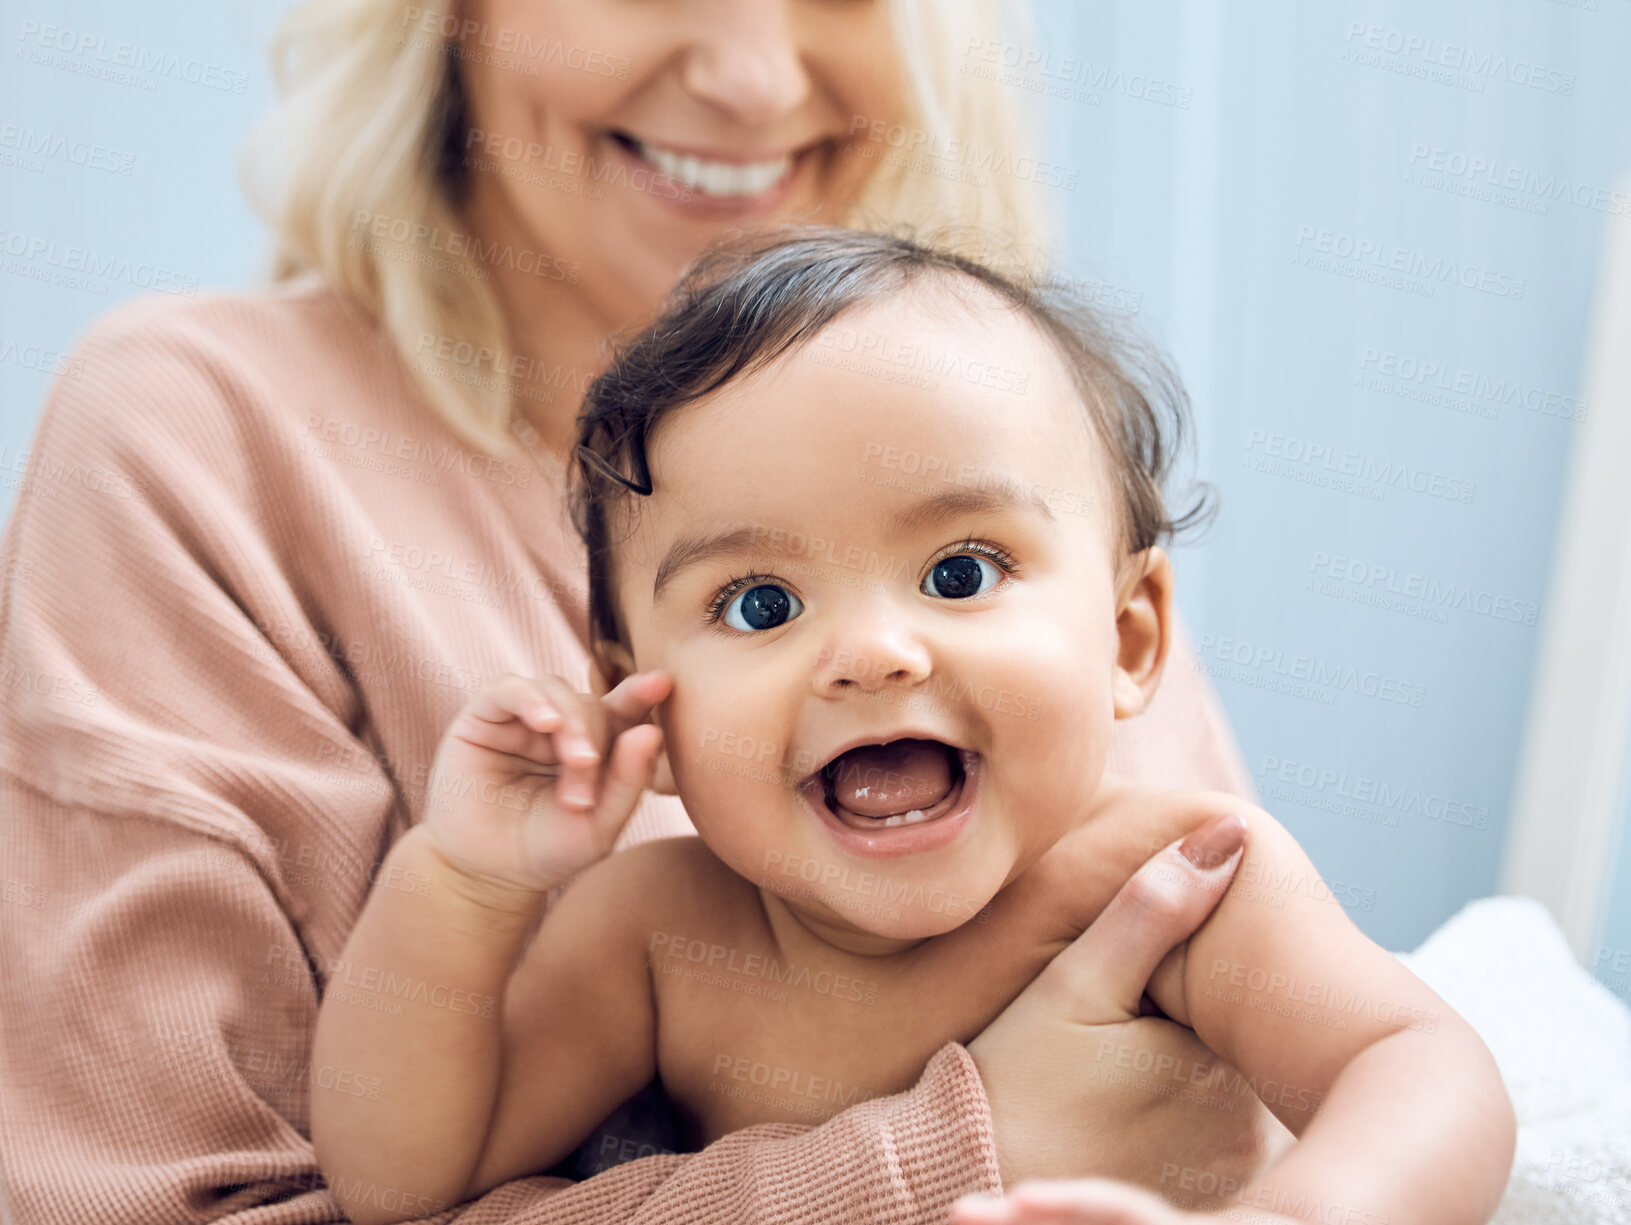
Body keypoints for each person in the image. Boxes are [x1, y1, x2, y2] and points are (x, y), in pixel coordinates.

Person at [0, 2, 1277, 1222]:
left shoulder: (1016, 453)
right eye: (759, 602)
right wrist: (950, 1157)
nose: (755, 76)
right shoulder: (198, 440)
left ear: (1131, 631)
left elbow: (1348, 1099)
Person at [308, 227, 1516, 1225]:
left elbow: (1417, 1067)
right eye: (760, 603)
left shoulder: (1181, 884)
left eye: (958, 571)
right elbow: (406, 1178)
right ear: (646, 704)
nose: (873, 652)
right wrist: (462, 883)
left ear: (1130, 636)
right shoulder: (654, 935)